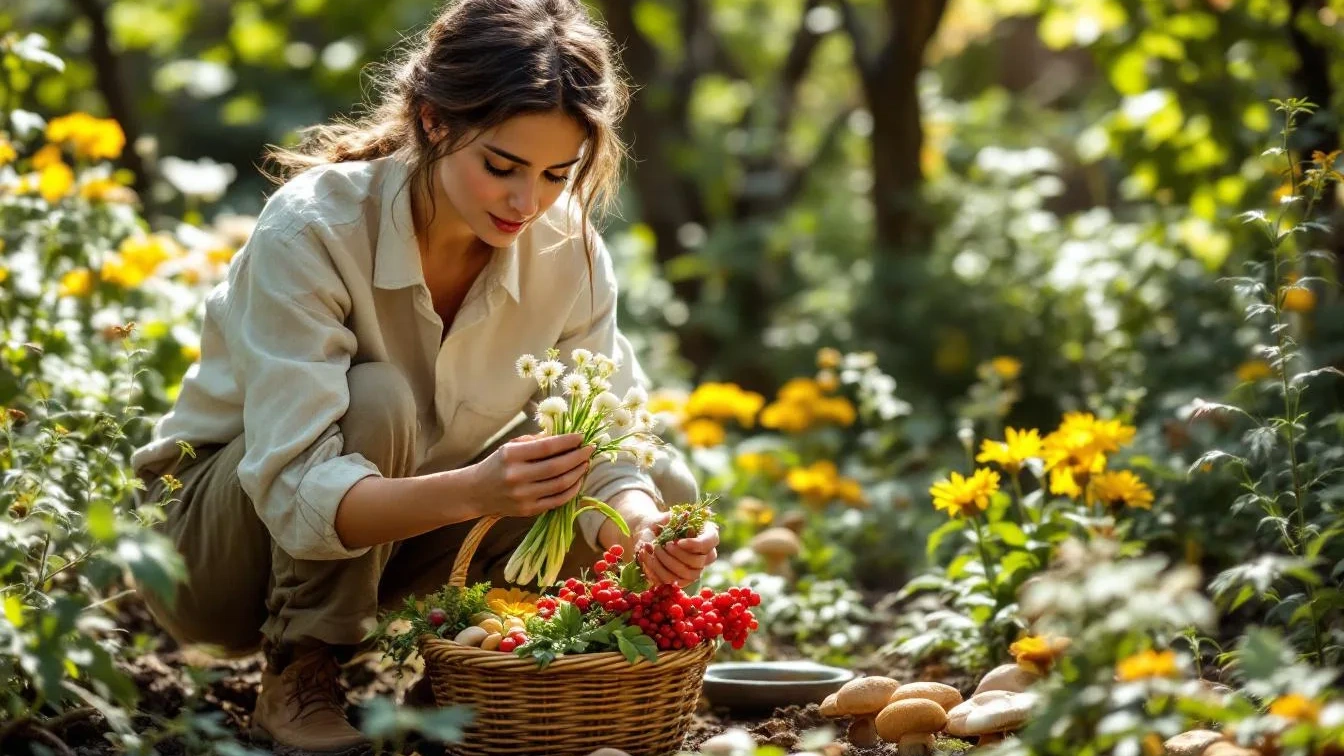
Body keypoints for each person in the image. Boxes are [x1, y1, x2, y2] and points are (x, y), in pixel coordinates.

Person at [129, 0, 719, 752]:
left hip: (397, 542)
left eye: (556, 174)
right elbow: (293, 489)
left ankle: (465, 675)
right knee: (377, 399)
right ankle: (301, 669)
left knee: (658, 481)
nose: (527, 202)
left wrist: (639, 528)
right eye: (501, 167)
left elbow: (608, 443)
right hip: (215, 556)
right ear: (433, 120)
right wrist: (477, 491)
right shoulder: (313, 228)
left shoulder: (567, 250)